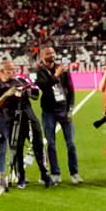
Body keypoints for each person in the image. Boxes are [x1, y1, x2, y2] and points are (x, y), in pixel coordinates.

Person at [0, 62, 55, 190]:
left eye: (13, 69)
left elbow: (35, 95)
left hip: (29, 118)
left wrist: (27, 90)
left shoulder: (20, 80)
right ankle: (21, 177)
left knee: (38, 146)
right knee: (16, 149)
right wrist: (7, 94)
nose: (12, 72)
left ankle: (44, 174)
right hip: (12, 121)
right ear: (1, 72)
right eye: (9, 70)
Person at [36, 46, 81, 185]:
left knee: (71, 143)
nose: (52, 55)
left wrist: (70, 108)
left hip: (63, 109)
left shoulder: (63, 69)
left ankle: (74, 173)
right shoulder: (40, 71)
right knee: (51, 143)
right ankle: (55, 173)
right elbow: (44, 87)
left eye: (53, 52)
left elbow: (70, 88)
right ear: (42, 56)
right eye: (48, 53)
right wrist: (56, 75)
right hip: (48, 111)